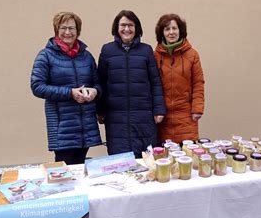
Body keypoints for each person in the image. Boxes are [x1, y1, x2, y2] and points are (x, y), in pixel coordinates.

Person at [31, 12, 102, 165]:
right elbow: (37, 86)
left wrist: (94, 91)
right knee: (65, 169)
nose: (68, 32)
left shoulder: (86, 56)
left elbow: (98, 84)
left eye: (72, 28)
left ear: (78, 31)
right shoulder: (46, 56)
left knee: (81, 167)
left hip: (85, 124)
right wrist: (70, 93)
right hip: (62, 125)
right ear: (57, 30)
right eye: (63, 28)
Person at [97, 10, 166, 157]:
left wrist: (159, 109)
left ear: (137, 28)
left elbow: (155, 82)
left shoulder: (146, 50)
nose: (126, 29)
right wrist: (100, 110)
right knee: (119, 159)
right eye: (123, 25)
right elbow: (101, 82)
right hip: (116, 117)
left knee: (145, 158)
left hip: (143, 116)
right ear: (116, 27)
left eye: (130, 25)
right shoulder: (107, 50)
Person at [154, 14, 205, 143]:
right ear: (162, 33)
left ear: (180, 30)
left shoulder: (192, 55)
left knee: (186, 156)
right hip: (162, 116)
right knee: (165, 158)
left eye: (174, 28)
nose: (171, 32)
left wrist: (197, 109)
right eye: (167, 29)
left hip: (186, 116)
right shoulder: (155, 56)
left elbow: (198, 83)